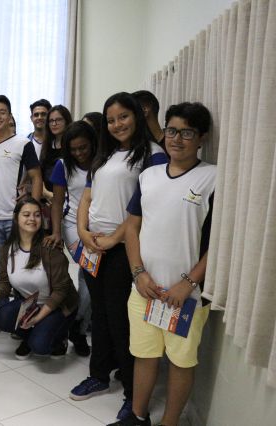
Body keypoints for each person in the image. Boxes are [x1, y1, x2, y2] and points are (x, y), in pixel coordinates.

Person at [109, 103, 215, 426]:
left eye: (187, 133)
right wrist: (138, 274)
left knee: (181, 361)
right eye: (172, 131)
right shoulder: (148, 176)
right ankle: (138, 415)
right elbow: (132, 228)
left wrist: (189, 283)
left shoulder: (213, 178)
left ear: (201, 138)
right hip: (145, 289)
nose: (177, 139)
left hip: (186, 297)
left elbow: (219, 243)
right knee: (145, 355)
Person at [70, 92, 168, 421]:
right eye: (111, 120)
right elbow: (87, 197)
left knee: (121, 320)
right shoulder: (105, 154)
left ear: (137, 116)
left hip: (124, 249)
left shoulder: (153, 155)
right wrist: (83, 232)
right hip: (94, 246)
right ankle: (99, 374)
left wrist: (114, 238)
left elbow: (147, 207)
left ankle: (131, 392)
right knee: (99, 314)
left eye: (123, 117)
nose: (117, 124)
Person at [0, 197, 78, 359]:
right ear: (16, 218)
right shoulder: (7, 249)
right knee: (2, 318)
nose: (32, 219)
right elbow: (4, 282)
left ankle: (60, 336)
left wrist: (38, 318)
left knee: (40, 347)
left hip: (57, 305)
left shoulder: (50, 246)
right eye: (26, 215)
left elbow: (61, 291)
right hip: (31, 304)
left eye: (37, 215)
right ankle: (29, 336)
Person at [0, 95, 42, 323]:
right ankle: (3, 315)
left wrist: (32, 209)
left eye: (2, 112)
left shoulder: (23, 144)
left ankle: (23, 315)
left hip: (15, 217)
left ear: (9, 116)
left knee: (19, 267)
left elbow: (36, 177)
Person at [44, 120, 99, 357]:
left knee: (92, 278)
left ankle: (79, 324)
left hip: (100, 228)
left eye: (83, 147)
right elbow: (57, 203)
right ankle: (76, 326)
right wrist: (56, 231)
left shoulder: (103, 162)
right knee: (89, 274)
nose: (78, 153)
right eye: (73, 149)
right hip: (72, 227)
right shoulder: (63, 165)